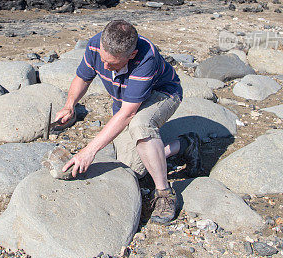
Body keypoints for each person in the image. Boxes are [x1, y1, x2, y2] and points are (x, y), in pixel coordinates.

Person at [54, 19, 201, 224]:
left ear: (131, 55)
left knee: (140, 125)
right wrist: (70, 105)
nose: (105, 67)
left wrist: (88, 151)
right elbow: (83, 78)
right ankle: (185, 144)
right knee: (134, 169)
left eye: (112, 64)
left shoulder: (145, 58)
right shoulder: (96, 46)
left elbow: (128, 114)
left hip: (163, 94)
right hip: (127, 103)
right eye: (103, 60)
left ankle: (165, 194)